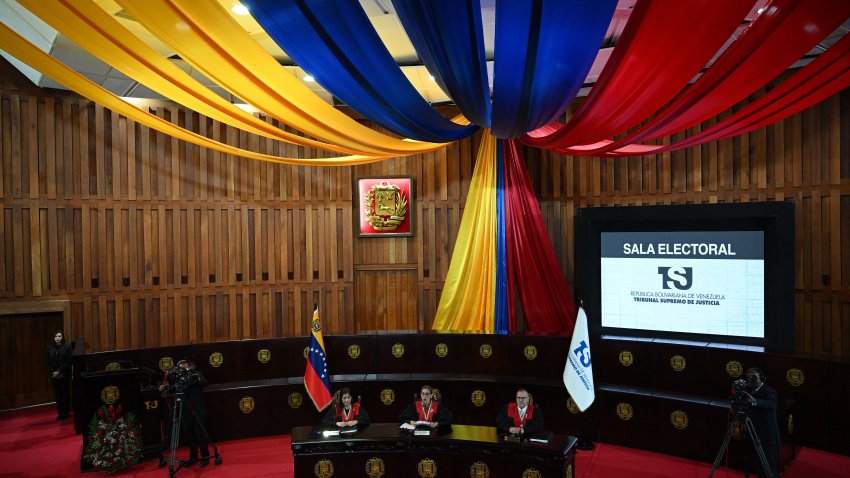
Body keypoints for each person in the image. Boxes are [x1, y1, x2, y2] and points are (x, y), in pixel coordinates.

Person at [160, 360, 211, 467]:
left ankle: (205, 457)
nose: (184, 369)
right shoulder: (178, 378)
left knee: (201, 434)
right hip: (185, 410)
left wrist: (195, 378)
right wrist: (165, 387)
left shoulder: (197, 374)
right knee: (189, 434)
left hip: (198, 409)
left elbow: (205, 383)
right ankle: (193, 457)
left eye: (185, 366)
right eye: (181, 367)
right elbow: (174, 388)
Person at [741, 367, 780, 478]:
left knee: (769, 466)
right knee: (758, 464)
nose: (751, 380)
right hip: (754, 433)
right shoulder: (748, 391)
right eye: (749, 377)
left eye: (754, 377)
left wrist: (754, 401)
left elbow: (770, 404)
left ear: (761, 378)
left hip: (767, 436)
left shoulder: (769, 391)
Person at [46, 330, 72, 420]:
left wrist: (59, 371)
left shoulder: (67, 347)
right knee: (57, 394)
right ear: (54, 338)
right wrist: (53, 372)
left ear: (62, 337)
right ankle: (60, 413)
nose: (57, 338)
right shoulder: (49, 348)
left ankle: (66, 412)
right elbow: (48, 362)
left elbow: (68, 361)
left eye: (59, 336)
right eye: (56, 336)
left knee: (64, 393)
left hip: (64, 374)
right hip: (53, 375)